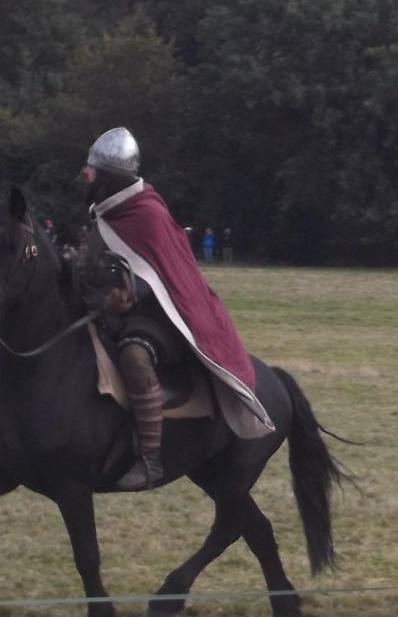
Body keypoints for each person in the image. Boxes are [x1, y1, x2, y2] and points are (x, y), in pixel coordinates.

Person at [77, 127, 272, 491]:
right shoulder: (107, 216)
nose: (83, 174)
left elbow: (164, 278)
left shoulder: (147, 214)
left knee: (134, 357)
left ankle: (150, 457)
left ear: (107, 177)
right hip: (117, 316)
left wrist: (129, 296)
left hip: (161, 318)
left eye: (90, 169)